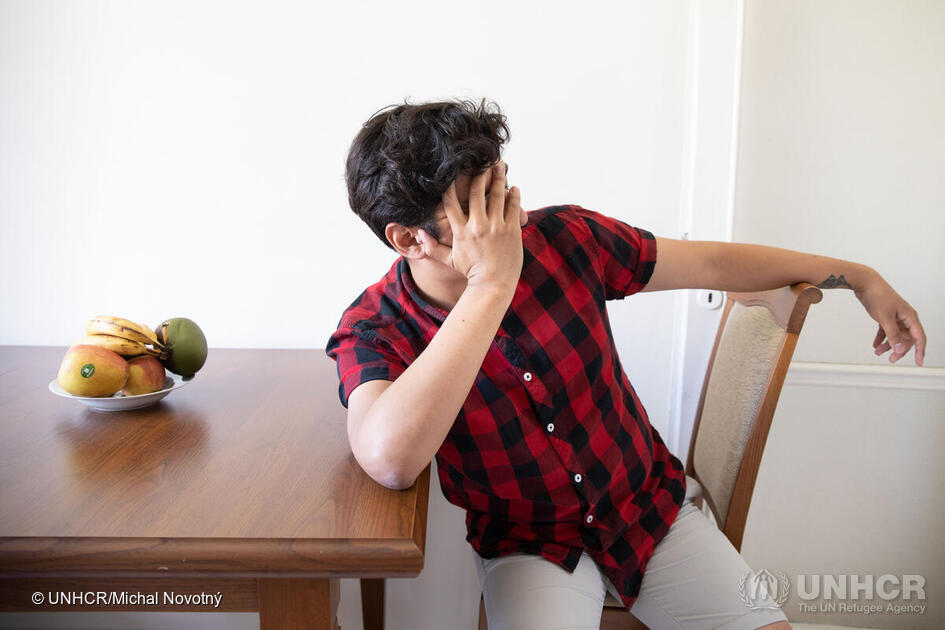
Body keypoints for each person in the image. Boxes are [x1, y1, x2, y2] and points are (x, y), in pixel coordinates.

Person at [325, 98, 926, 630]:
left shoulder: (566, 238)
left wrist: (859, 276)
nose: (514, 223)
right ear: (408, 240)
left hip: (650, 507)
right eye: (480, 212)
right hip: (530, 546)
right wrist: (491, 286)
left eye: (502, 194)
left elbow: (713, 265)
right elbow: (391, 460)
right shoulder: (375, 328)